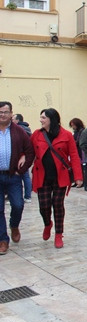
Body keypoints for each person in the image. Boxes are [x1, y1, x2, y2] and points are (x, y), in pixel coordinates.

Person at [31, 108, 83, 249]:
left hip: (60, 176)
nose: (41, 120)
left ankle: (59, 234)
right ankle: (48, 223)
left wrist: (78, 176)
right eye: (40, 117)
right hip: (42, 176)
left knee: (58, 205)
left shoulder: (66, 135)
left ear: (51, 119)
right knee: (44, 205)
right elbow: (29, 151)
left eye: (43, 118)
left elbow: (74, 156)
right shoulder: (36, 134)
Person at [0, 102, 35, 255]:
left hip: (13, 176)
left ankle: (14, 225)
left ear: (11, 113)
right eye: (0, 112)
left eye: (5, 112)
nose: (2, 115)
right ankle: (3, 240)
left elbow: (30, 152)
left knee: (18, 205)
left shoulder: (19, 131)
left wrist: (21, 169)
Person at [12, 113, 33, 203]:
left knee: (22, 176)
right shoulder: (27, 129)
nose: (12, 120)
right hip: (23, 155)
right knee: (26, 177)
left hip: (20, 156)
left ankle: (22, 196)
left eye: (13, 118)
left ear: (17, 120)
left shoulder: (19, 130)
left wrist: (24, 154)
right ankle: (28, 196)